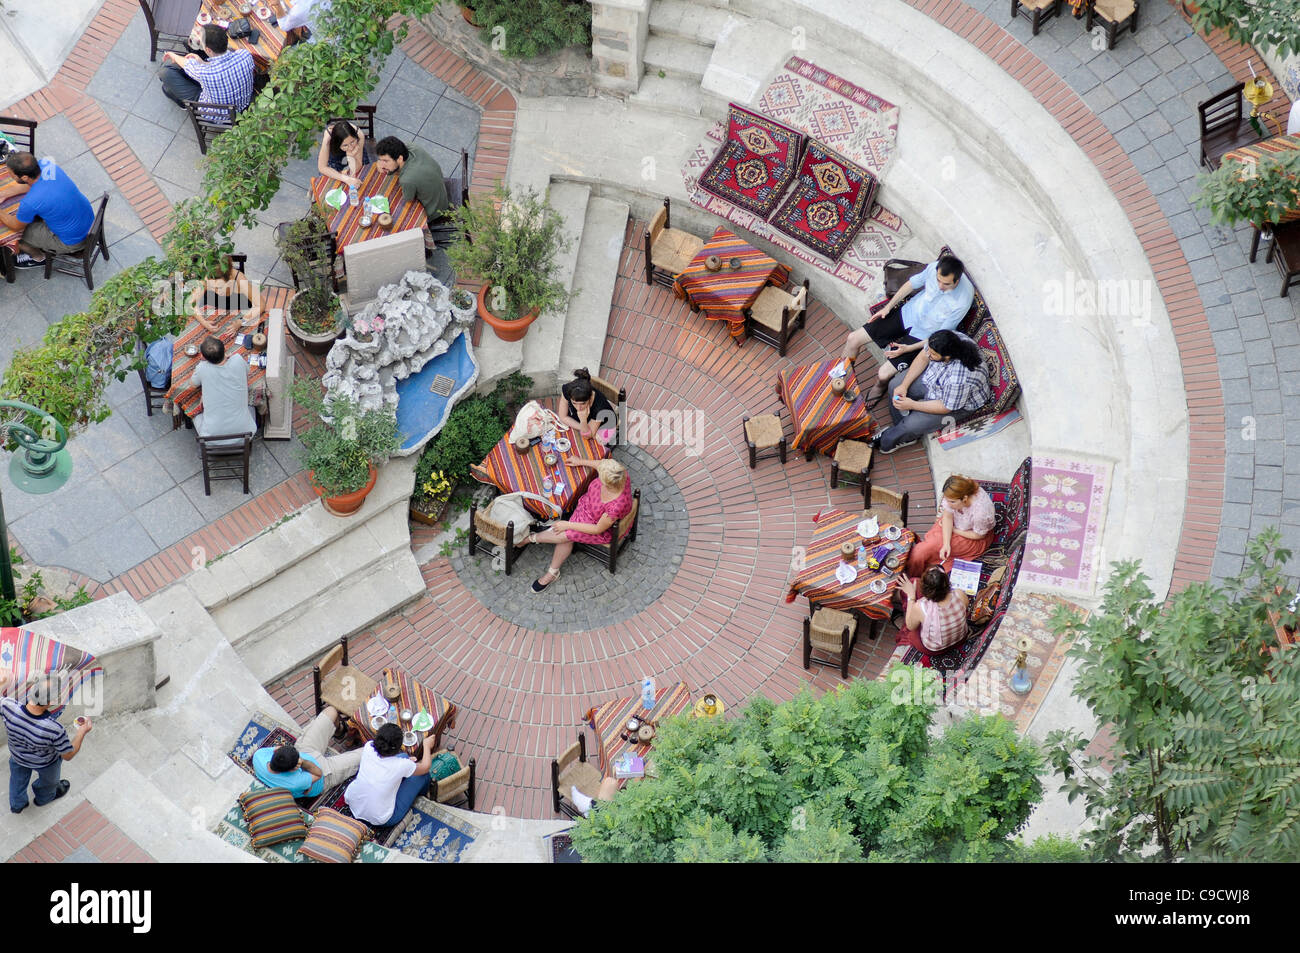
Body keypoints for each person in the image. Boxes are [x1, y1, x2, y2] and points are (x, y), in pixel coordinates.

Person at [841, 255, 974, 403]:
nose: (940, 286)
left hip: (925, 336)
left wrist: (908, 349)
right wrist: (888, 307)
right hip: (907, 314)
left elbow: (941, 336)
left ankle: (881, 386)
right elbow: (911, 284)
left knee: (883, 374)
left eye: (946, 284)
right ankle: (841, 376)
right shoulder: (934, 268)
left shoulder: (963, 299)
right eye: (938, 280)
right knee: (853, 339)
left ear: (957, 280)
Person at [518, 458, 633, 593]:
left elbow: (597, 529)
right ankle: (549, 566)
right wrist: (580, 461)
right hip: (585, 507)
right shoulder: (618, 472)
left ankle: (531, 541)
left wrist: (568, 524)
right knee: (565, 533)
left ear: (607, 484)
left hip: (597, 527)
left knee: (565, 535)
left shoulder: (616, 506)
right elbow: (601, 465)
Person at [870, 328, 990, 454]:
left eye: (932, 354)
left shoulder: (960, 378)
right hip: (935, 381)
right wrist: (904, 386)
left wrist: (912, 405)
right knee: (895, 385)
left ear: (947, 357)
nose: (928, 354)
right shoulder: (945, 339)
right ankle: (900, 428)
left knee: (910, 425)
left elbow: (946, 406)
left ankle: (893, 440)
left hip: (955, 403)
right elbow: (923, 357)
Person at [0, 672, 92, 814]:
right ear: (53, 701)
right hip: (46, 763)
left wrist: (2, 682)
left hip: (17, 757)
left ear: (31, 690)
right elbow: (68, 755)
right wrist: (82, 732)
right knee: (50, 783)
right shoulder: (54, 729)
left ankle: (17, 804)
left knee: (17, 781)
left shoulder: (7, 706)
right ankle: (43, 798)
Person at [0, 152, 94, 270]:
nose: (10, 176)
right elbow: (32, 185)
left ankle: (38, 257)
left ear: (24, 177)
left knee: (15, 236)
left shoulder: (31, 201)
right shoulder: (48, 166)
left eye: (11, 174)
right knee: (33, 217)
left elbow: (15, 226)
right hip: (89, 221)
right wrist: (4, 194)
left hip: (73, 241)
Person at [252, 706, 362, 799]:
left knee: (331, 711)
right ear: (293, 769)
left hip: (305, 750)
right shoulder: (295, 783)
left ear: (276, 751)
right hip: (324, 773)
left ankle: (340, 732)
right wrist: (303, 762)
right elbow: (318, 773)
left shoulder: (258, 756)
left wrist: (300, 760)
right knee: (366, 753)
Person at [344, 723, 436, 827]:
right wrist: (427, 746)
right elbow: (425, 767)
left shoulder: (369, 746)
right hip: (381, 818)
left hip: (354, 802)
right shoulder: (401, 765)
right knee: (422, 776)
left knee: (404, 756)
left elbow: (396, 762)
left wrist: (407, 763)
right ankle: (424, 794)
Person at [906, 474, 996, 577]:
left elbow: (979, 535)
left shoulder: (981, 513)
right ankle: (915, 569)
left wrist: (954, 530)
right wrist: (946, 544)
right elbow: (948, 517)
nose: (948, 504)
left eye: (952, 502)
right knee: (929, 546)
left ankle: (914, 574)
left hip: (971, 537)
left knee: (930, 546)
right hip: (956, 524)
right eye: (947, 500)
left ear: (965, 498)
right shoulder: (957, 495)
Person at [157, 24, 255, 117]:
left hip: (217, 114)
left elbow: (187, 64)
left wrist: (172, 55)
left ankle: (184, 104)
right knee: (167, 87)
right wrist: (203, 63)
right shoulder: (245, 55)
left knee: (165, 74)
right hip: (243, 103)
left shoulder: (205, 73)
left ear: (208, 50)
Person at [896, 567, 970, 663]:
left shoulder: (920, 606)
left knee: (910, 631)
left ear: (924, 590)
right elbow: (966, 606)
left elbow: (910, 626)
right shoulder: (959, 594)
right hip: (961, 638)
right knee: (914, 582)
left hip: (934, 649)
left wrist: (911, 597)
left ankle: (901, 606)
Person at [374, 136, 448, 229]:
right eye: (380, 159)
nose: (381, 164)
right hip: (440, 192)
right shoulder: (412, 147)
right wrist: (386, 165)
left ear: (400, 159)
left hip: (434, 211)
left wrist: (386, 171)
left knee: (398, 216)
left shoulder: (407, 180)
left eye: (385, 161)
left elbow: (408, 198)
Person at [191, 335, 256, 441]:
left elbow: (193, 384)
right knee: (251, 406)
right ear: (225, 350)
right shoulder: (238, 360)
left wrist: (202, 363)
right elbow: (247, 371)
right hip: (245, 436)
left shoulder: (202, 368)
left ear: (204, 357)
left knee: (193, 413)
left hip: (210, 439)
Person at [559, 367, 615, 444]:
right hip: (584, 421)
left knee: (595, 442)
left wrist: (583, 421)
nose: (578, 408)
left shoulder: (600, 407)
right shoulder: (567, 389)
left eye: (583, 403)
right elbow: (563, 417)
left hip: (605, 423)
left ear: (590, 397)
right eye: (574, 403)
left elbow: (588, 436)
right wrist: (583, 426)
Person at [316, 119, 372, 191]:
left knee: (362, 176)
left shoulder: (359, 135)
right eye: (345, 145)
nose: (351, 148)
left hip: (354, 154)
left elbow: (357, 167)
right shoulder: (328, 139)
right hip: (334, 154)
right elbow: (322, 167)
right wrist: (346, 179)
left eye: (352, 141)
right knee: (330, 182)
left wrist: (350, 156)